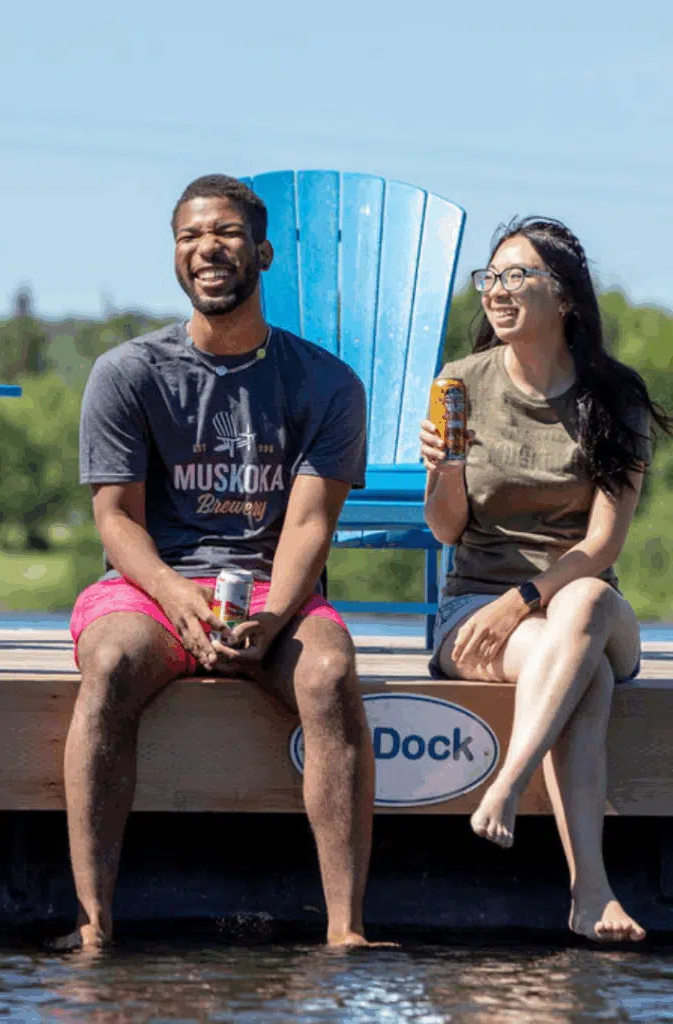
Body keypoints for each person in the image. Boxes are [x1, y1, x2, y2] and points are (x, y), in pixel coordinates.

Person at [59, 174, 379, 950]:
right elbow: (116, 520)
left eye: (228, 233)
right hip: (150, 585)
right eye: (190, 236)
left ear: (262, 253)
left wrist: (274, 616)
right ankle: (94, 924)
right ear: (175, 255)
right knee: (110, 663)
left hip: (274, 588)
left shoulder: (326, 382)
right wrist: (175, 596)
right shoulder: (128, 372)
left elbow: (310, 522)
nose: (208, 248)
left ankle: (345, 930)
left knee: (329, 671)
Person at [420, 216, 669, 942]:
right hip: (475, 608)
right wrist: (445, 470)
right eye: (489, 277)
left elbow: (602, 544)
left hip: (581, 606)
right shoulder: (460, 382)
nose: (496, 291)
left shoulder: (614, 397)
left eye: (515, 276)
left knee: (585, 604)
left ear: (563, 297)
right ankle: (590, 892)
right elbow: (445, 530)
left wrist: (524, 598)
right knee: (582, 679)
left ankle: (507, 781)